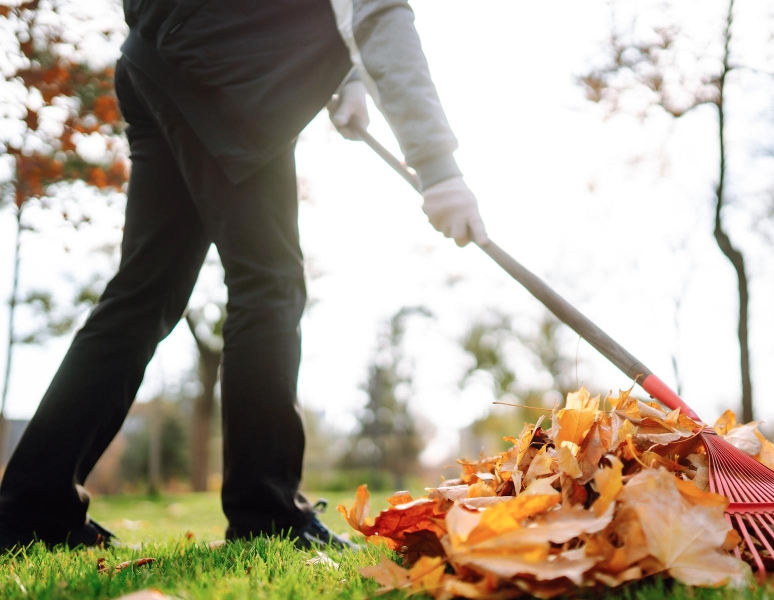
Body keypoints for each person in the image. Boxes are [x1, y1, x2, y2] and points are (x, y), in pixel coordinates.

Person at [0, 0, 486, 551]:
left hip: (156, 61)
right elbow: (377, 14)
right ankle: (268, 515)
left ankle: (34, 509)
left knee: (143, 295)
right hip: (225, 80)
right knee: (268, 284)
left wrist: (349, 78)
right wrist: (439, 169)